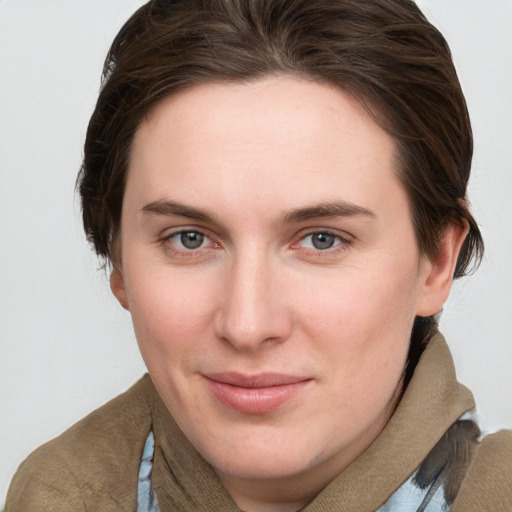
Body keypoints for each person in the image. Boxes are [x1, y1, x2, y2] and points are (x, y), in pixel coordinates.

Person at [5, 0, 512, 510]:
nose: (247, 326)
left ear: (438, 261)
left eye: (322, 240)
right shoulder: (58, 495)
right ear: (118, 260)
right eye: (189, 238)